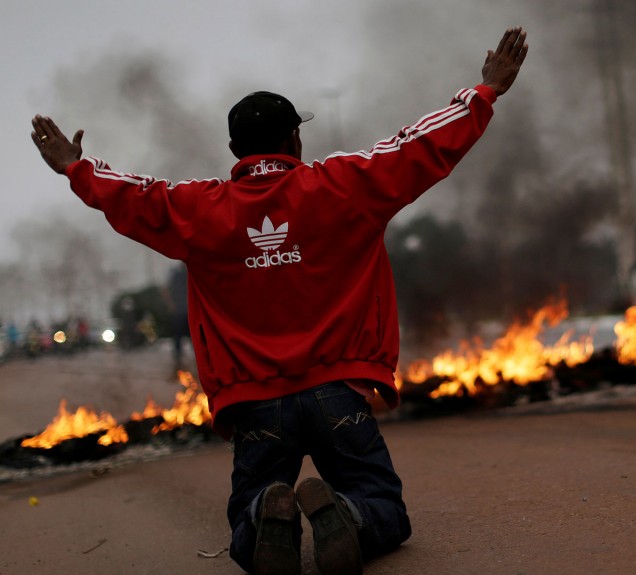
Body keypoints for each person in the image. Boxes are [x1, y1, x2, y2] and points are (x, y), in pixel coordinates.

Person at [31, 27, 528, 575]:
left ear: (233, 151)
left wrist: (77, 169)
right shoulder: (343, 185)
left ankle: (270, 522)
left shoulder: (198, 209)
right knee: (385, 508)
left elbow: (136, 195)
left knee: (248, 523)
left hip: (256, 405)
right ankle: (351, 516)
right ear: (295, 139)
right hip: (339, 392)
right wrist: (484, 92)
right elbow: (417, 147)